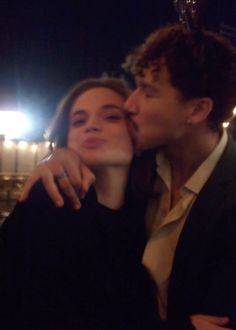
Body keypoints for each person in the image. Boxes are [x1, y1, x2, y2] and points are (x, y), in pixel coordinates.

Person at [20, 24, 236, 330]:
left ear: (198, 110)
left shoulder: (228, 199)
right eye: (136, 85)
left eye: (148, 91)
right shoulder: (138, 171)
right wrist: (59, 155)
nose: (130, 104)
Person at [0, 78, 159, 330]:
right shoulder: (51, 203)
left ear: (139, 136)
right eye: (78, 121)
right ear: (67, 139)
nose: (92, 126)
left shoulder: (150, 211)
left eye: (111, 117)